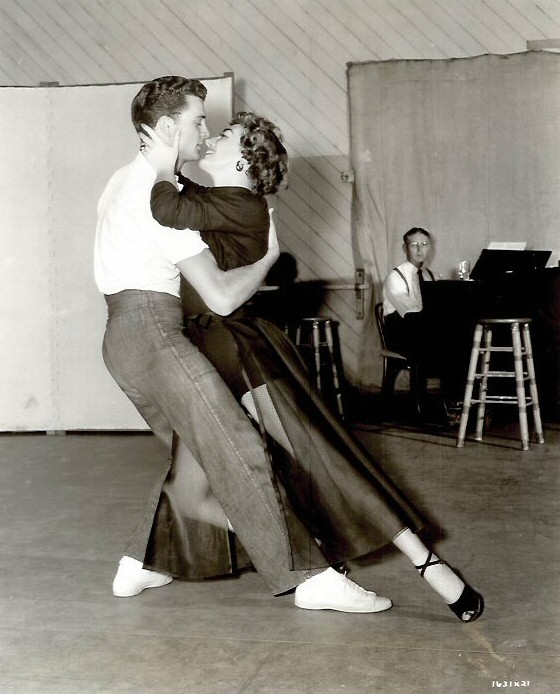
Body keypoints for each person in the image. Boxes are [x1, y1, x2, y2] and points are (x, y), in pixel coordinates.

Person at [138, 112, 484, 623]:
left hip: (241, 352)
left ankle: (428, 563)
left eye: (225, 135)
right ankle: (312, 559)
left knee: (323, 461)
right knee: (189, 497)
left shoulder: (241, 204)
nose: (212, 137)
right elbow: (185, 197)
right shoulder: (229, 203)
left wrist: (158, 155)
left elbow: (165, 203)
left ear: (242, 160)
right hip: (207, 355)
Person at [96, 75, 396, 614]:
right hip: (155, 332)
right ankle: (310, 577)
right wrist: (265, 258)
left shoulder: (123, 180)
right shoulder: (157, 198)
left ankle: (142, 564)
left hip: (121, 339)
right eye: (196, 121)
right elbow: (222, 298)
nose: (204, 132)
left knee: (202, 458)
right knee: (241, 450)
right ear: (167, 127)